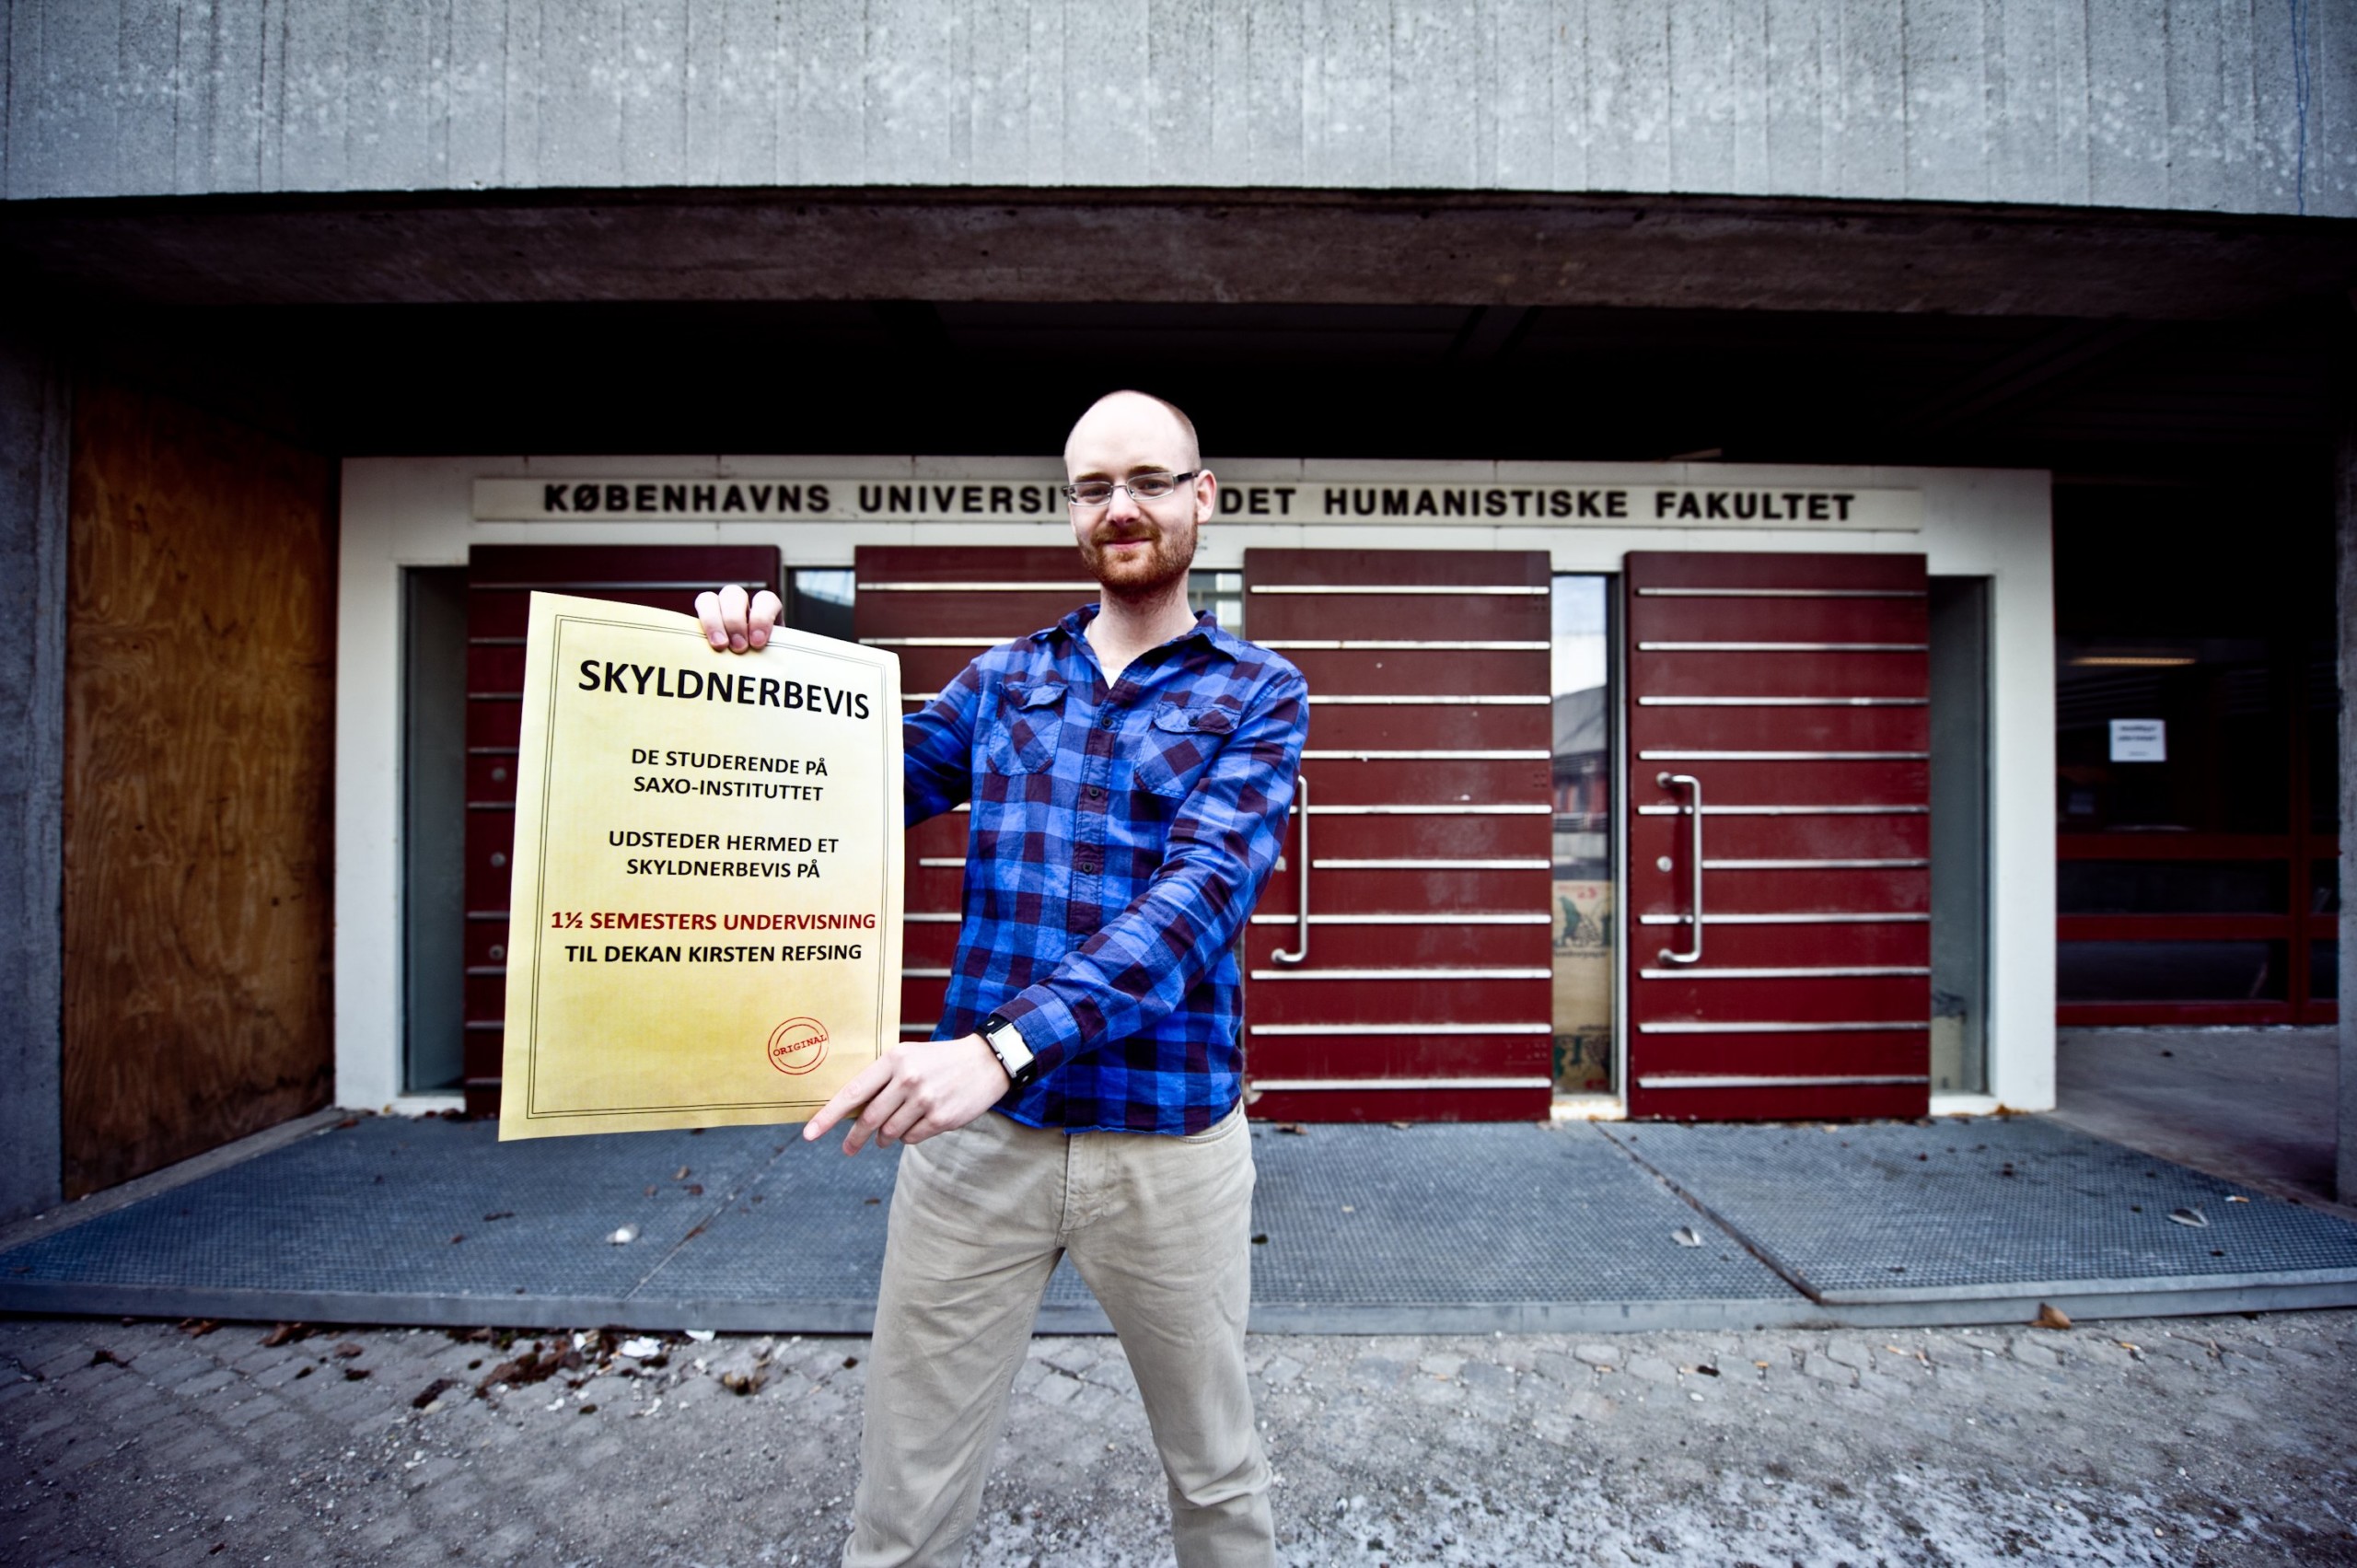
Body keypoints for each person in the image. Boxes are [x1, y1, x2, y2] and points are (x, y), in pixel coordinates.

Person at [695, 389, 1308, 1568]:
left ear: (1201, 496)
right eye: (1092, 486)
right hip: (978, 1152)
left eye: (1146, 479)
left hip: (1166, 1146)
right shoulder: (1001, 680)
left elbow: (1199, 901)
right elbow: (837, 785)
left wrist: (1001, 1044)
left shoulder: (1256, 690)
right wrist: (746, 670)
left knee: (1218, 1472)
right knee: (906, 1490)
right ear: (1071, 508)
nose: (1118, 506)